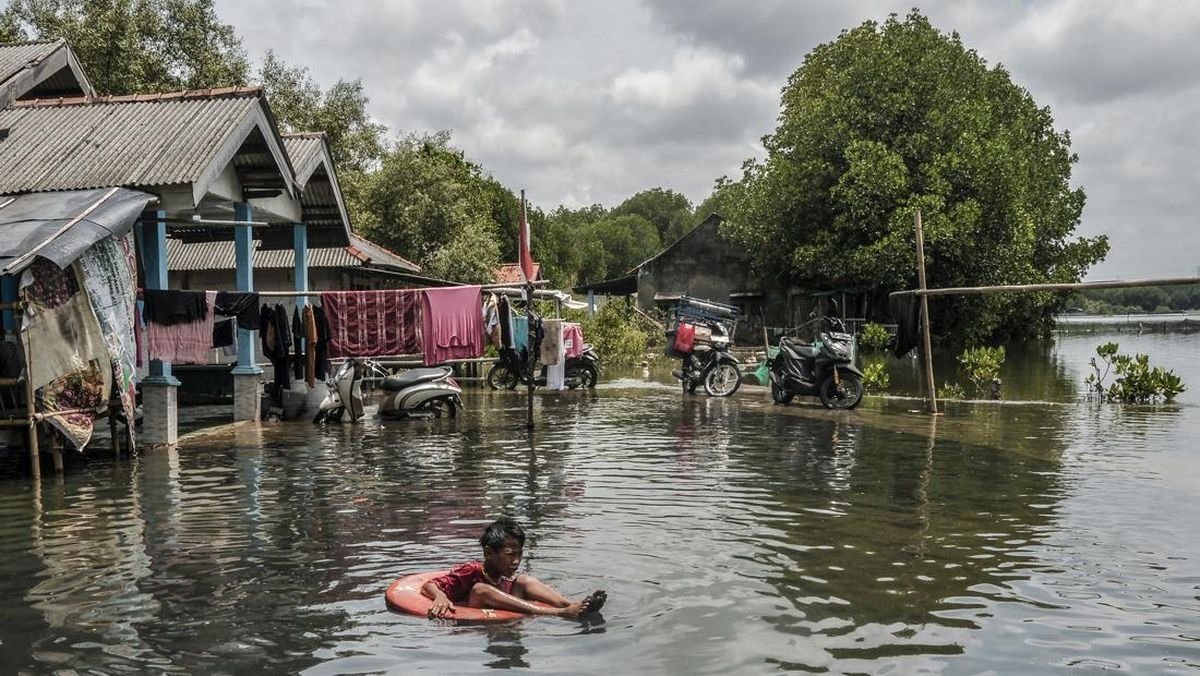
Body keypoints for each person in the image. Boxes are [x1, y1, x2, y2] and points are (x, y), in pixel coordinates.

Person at [421, 517, 606, 619]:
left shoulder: (506, 576)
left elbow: (519, 584)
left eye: (519, 554)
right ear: (488, 553)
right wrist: (440, 596)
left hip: (504, 611)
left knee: (525, 579)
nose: (516, 561)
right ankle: (560, 613)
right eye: (510, 554)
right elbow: (429, 585)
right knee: (481, 589)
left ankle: (570, 605)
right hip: (476, 618)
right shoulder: (471, 571)